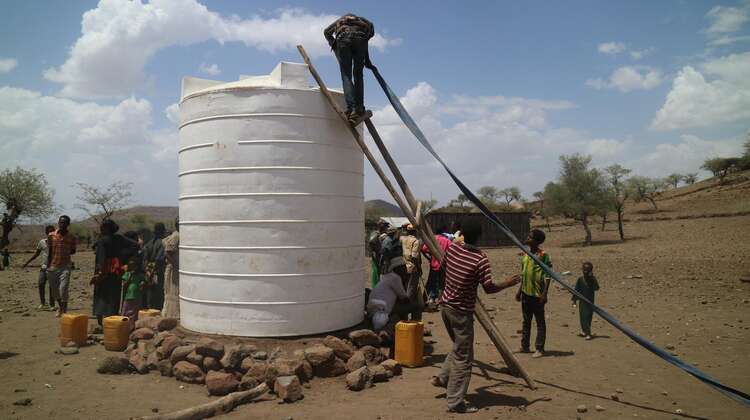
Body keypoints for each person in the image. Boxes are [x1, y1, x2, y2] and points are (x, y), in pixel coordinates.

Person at [432, 220, 520, 413]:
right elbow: (488, 288)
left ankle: (443, 378)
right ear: (479, 236)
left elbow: (443, 268)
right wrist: (507, 283)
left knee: (458, 347)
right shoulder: (480, 259)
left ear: (461, 233)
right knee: (464, 357)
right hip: (461, 312)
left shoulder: (453, 249)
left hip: (445, 306)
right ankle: (455, 402)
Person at [324, 13, 375, 124]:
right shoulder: (364, 22)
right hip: (361, 40)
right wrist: (364, 43)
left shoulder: (341, 20)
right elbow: (371, 30)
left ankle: (352, 108)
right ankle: (359, 108)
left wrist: (334, 44)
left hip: (343, 38)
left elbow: (326, 32)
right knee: (358, 75)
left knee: (346, 75)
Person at [515, 229, 552, 358]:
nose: (527, 238)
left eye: (530, 237)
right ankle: (525, 346)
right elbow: (524, 274)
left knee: (540, 321)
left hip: (537, 295)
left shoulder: (543, 255)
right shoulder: (525, 254)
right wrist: (519, 291)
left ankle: (540, 348)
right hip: (526, 293)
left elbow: (548, 275)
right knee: (526, 321)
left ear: (537, 241)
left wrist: (545, 293)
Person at [366, 256, 418, 342]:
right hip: (382, 309)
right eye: (403, 267)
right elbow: (404, 298)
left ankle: (402, 329)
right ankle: (414, 331)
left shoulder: (388, 277)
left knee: (401, 308)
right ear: (397, 269)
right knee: (416, 306)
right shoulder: (395, 278)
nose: (405, 269)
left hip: (376, 308)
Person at [91, 219, 124, 326]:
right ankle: (113, 319)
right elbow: (135, 245)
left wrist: (99, 274)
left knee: (101, 296)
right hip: (116, 272)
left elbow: (101, 259)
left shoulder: (102, 241)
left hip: (104, 273)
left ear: (106, 228)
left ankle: (101, 322)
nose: (100, 228)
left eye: (101, 227)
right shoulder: (119, 238)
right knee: (114, 296)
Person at [46, 215, 77, 317]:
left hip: (65, 266)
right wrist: (48, 266)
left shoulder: (72, 237)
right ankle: (61, 308)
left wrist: (65, 251)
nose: (62, 224)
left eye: (64, 223)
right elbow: (49, 251)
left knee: (63, 289)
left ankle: (63, 310)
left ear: (68, 224)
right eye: (60, 222)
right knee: (55, 292)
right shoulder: (51, 235)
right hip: (53, 266)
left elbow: (73, 251)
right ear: (58, 223)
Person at [22, 225, 56, 310]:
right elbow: (36, 254)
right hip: (43, 267)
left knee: (52, 287)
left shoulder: (57, 242)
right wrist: (27, 262)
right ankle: (43, 303)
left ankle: (52, 305)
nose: (50, 233)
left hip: (53, 267)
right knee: (41, 284)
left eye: (52, 231)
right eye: (49, 232)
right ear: (46, 233)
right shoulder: (42, 242)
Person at [422, 225, 452, 307]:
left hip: (433, 264)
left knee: (432, 282)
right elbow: (451, 251)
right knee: (442, 283)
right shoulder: (446, 240)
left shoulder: (432, 239)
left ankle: (431, 299)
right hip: (443, 265)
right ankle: (440, 299)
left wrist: (428, 258)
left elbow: (424, 249)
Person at [400, 223, 423, 320]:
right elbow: (414, 257)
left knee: (404, 288)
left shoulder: (402, 239)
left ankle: (403, 313)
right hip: (411, 268)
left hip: (402, 266)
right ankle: (407, 312)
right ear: (414, 231)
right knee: (411, 290)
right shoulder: (416, 241)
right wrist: (419, 268)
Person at [142, 223, 167, 310]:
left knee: (150, 289)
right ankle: (156, 309)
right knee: (158, 290)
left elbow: (145, 257)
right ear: (163, 231)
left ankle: (150, 308)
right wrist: (154, 270)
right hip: (158, 270)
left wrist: (147, 270)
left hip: (148, 268)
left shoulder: (149, 243)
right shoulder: (163, 243)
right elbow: (159, 259)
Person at [572, 262, 600, 340]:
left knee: (587, 317)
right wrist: (574, 300)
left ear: (590, 271)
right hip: (582, 302)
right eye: (584, 270)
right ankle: (584, 331)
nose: (585, 272)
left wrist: (593, 279)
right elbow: (576, 290)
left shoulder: (592, 279)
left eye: (587, 270)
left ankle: (588, 333)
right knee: (582, 317)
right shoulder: (580, 279)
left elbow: (596, 288)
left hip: (590, 302)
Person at [120, 254, 146, 330]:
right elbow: (124, 285)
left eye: (134, 266)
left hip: (137, 297)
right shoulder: (127, 274)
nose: (132, 268)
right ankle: (124, 327)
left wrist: (143, 284)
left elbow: (144, 282)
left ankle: (132, 327)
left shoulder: (140, 275)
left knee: (135, 314)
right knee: (126, 312)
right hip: (128, 296)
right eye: (131, 266)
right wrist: (130, 276)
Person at [162, 218, 180, 318]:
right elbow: (168, 251)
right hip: (173, 268)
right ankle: (172, 315)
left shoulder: (176, 234)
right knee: (173, 291)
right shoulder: (176, 236)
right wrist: (175, 265)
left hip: (174, 267)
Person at [368, 220, 389, 287]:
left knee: (380, 272)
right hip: (376, 256)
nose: (386, 228)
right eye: (385, 226)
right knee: (376, 272)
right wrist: (374, 252)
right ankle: (375, 287)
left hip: (380, 256)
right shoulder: (376, 233)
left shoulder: (381, 234)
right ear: (381, 226)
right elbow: (371, 242)